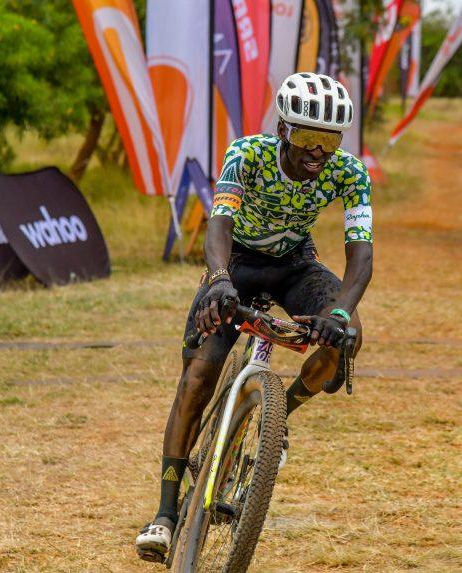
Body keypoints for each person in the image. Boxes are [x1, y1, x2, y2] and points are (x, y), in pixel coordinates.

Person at [135, 73, 374, 562]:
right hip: (236, 263)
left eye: (329, 140)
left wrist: (340, 310)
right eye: (308, 137)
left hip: (295, 264)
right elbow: (218, 226)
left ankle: (278, 413)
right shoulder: (247, 154)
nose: (318, 153)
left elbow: (361, 256)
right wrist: (219, 277)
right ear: (284, 129)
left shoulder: (349, 172)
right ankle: (164, 514)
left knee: (345, 338)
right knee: (198, 375)